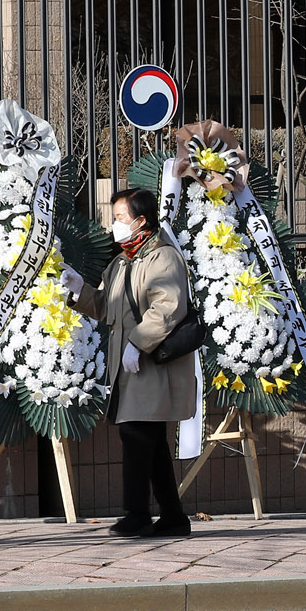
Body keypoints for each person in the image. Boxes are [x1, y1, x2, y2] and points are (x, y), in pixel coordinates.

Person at [69, 186, 197, 538]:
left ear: (141, 220)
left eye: (120, 218)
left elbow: (167, 307)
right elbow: (107, 309)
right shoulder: (122, 260)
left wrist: (137, 344)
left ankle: (138, 513)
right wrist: (79, 291)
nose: (115, 225)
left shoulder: (162, 257)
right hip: (131, 366)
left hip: (153, 364)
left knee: (137, 433)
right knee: (148, 439)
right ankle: (173, 517)